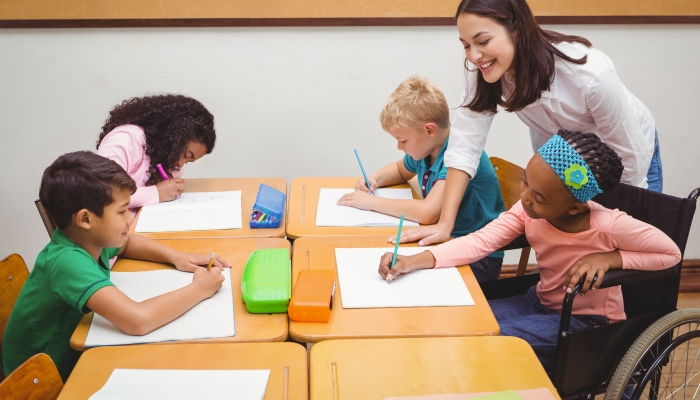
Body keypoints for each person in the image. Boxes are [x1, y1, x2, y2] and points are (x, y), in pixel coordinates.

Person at [378, 131, 680, 371]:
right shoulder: (527, 210)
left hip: (587, 322)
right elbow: (481, 241)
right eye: (525, 183)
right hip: (539, 300)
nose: (525, 199)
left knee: (491, 338)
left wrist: (610, 257)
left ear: (575, 206)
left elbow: (671, 254)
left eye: (539, 196)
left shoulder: (609, 225)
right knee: (463, 321)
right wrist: (413, 261)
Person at [398, 0, 662, 247]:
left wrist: (620, 224)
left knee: (625, 255)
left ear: (517, 29)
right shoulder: (485, 69)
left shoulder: (591, 76)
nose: (475, 56)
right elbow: (464, 146)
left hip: (626, 157)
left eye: (483, 41)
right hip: (564, 162)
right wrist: (446, 224)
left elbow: (630, 165)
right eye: (466, 45)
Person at [2, 151, 230, 381]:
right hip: (37, 381)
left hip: (68, 358)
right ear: (85, 219)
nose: (130, 219)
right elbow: (138, 321)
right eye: (121, 211)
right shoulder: (66, 262)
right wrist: (200, 289)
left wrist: (177, 257)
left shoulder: (89, 239)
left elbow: (126, 243)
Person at [338, 76, 505, 281]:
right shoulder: (427, 149)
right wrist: (375, 179)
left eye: (403, 140)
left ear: (429, 130)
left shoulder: (459, 154)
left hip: (480, 258)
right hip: (445, 245)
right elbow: (400, 170)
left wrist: (370, 202)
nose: (400, 147)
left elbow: (428, 213)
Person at [97, 94, 216, 215]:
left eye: (187, 162)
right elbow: (103, 193)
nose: (180, 166)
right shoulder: (125, 140)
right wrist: (157, 193)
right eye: (185, 155)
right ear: (173, 135)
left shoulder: (162, 154)